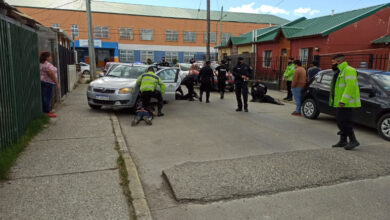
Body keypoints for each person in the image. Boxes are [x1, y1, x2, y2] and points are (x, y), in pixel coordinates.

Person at [329, 54, 361, 150]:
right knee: (340, 122)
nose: (332, 64)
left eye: (333, 62)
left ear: (339, 61)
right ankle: (343, 141)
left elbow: (350, 87)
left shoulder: (349, 70)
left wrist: (343, 100)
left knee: (345, 122)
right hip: (340, 102)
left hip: (346, 103)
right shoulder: (340, 71)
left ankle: (353, 140)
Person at [40, 51, 60, 118]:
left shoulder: (41, 64)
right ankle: (46, 112)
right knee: (47, 97)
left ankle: (46, 110)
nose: (50, 57)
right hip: (48, 82)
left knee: (44, 97)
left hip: (43, 81)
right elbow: (51, 74)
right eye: (50, 56)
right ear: (47, 57)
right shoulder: (47, 65)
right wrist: (57, 83)